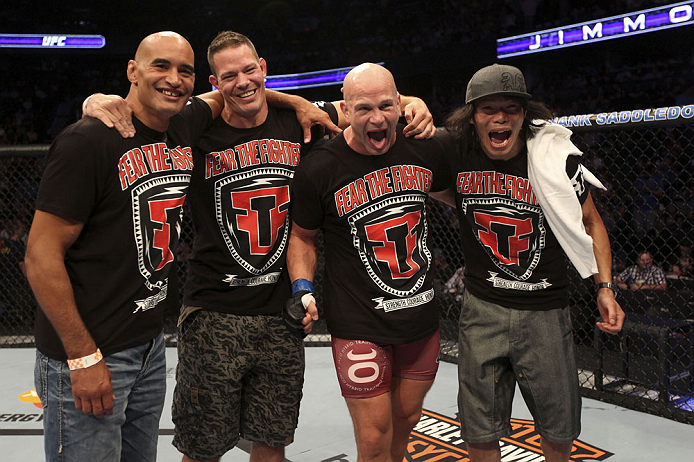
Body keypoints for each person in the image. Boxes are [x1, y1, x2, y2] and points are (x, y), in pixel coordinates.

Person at [84, 31, 435, 462]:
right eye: (228, 76)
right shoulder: (196, 126)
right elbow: (142, 112)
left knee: (272, 447)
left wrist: (414, 101)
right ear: (214, 83)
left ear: (264, 69)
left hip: (281, 314)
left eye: (250, 70)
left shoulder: (305, 119)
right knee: (202, 448)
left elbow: (369, 105)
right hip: (214, 310)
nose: (243, 82)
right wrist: (96, 100)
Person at [24, 31, 214, 462]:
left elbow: (234, 96)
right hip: (91, 349)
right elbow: (39, 258)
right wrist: (82, 358)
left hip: (147, 345)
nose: (174, 79)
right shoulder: (88, 140)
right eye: (160, 65)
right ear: (132, 70)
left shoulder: (183, 125)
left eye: (186, 70)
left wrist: (296, 102)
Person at [440, 64, 624, 462]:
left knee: (559, 430)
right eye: (489, 109)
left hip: (545, 310)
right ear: (473, 116)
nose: (501, 117)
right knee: (478, 429)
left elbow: (592, 222)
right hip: (482, 308)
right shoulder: (455, 151)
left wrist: (605, 287)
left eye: (511, 108)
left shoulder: (555, 161)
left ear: (525, 114)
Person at [286, 63, 450, 462]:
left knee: (406, 419)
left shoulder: (425, 146)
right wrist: (302, 287)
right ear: (345, 110)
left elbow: (461, 199)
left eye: (385, 106)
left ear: (400, 105)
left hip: (418, 315)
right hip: (358, 320)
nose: (376, 118)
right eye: (363, 109)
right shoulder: (320, 166)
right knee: (373, 438)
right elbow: (302, 237)